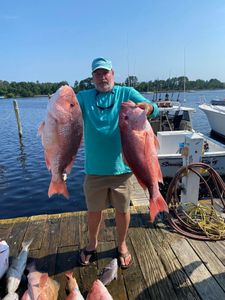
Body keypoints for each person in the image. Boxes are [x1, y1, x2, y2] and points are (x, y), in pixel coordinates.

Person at [77, 57, 159, 269]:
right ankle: (92, 244)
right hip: (94, 169)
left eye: (105, 72)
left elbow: (153, 107)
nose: (102, 77)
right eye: (97, 73)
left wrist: (148, 109)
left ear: (113, 74)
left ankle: (121, 245)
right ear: (92, 78)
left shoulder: (126, 93)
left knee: (123, 211)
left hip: (122, 170)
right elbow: (66, 111)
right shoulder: (84, 97)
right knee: (94, 211)